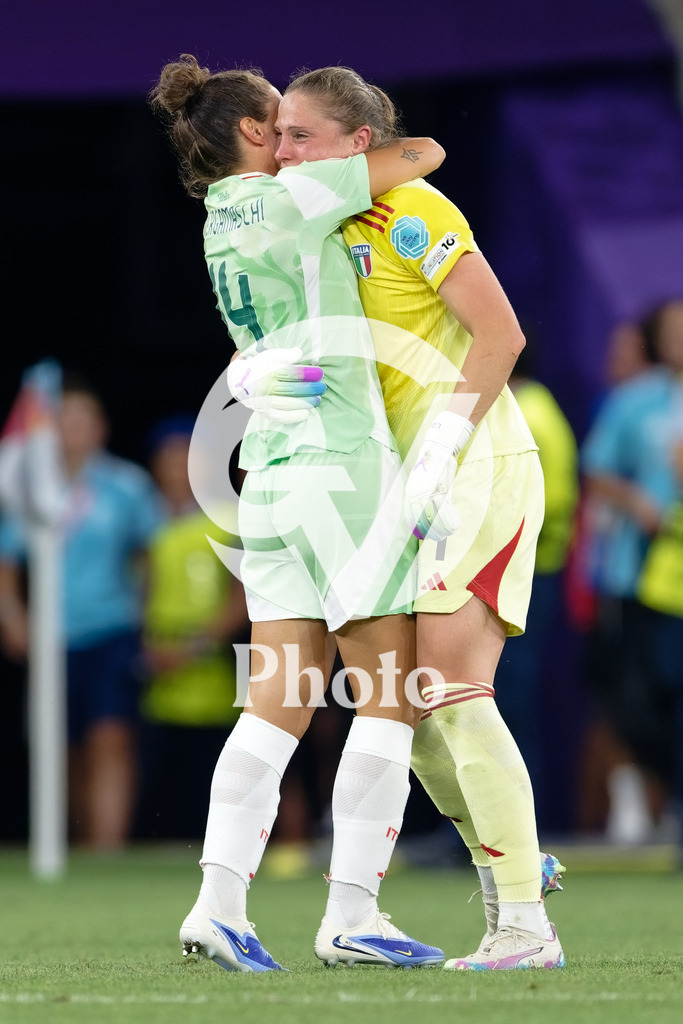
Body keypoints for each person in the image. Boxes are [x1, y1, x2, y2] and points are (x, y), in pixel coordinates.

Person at [234, 66, 566, 970]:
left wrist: (437, 451)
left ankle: (523, 927)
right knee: (407, 709)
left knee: (452, 692)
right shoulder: (305, 225)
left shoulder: (414, 210)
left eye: (301, 135)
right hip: (391, 487)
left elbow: (501, 337)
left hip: (471, 469)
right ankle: (516, 866)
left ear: (357, 146)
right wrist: (259, 381)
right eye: (277, 134)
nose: (283, 150)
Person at [150, 54, 447, 973]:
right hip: (342, 461)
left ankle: (217, 905)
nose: (288, 140)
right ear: (248, 135)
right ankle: (352, 913)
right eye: (276, 124)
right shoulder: (293, 194)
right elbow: (424, 153)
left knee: (276, 702)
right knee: (387, 695)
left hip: (268, 476)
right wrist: (327, 159)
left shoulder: (213, 223)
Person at [0, 374, 163, 849]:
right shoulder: (30, 489)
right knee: (59, 747)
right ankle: (69, 846)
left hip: (112, 628)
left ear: (100, 427)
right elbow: (8, 563)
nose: (73, 429)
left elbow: (149, 557)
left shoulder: (127, 486)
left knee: (110, 740)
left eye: (83, 420)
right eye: (64, 420)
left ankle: (107, 850)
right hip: (51, 637)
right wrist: (14, 618)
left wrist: (146, 618)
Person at [135, 416, 250, 841]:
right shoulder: (145, 520)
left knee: (223, 760)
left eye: (188, 457)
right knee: (158, 766)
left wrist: (196, 646)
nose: (178, 467)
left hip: (215, 664)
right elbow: (141, 586)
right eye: (169, 458)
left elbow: (242, 596)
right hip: (156, 667)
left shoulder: (228, 519)